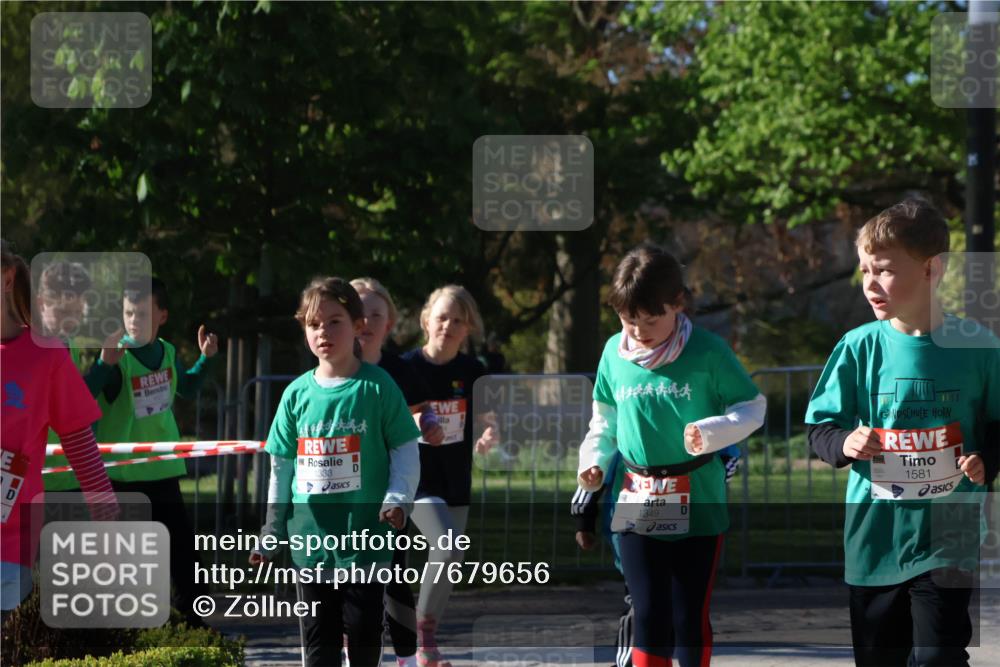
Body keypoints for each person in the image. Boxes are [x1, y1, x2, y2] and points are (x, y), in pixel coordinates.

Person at [805, 198, 1000, 667]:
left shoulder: (979, 348)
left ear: (932, 269)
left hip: (948, 535)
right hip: (875, 538)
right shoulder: (858, 347)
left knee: (937, 658)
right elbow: (819, 428)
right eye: (864, 271)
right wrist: (845, 441)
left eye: (885, 270)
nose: (870, 284)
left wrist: (987, 458)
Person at [577, 243, 765, 667]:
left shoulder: (708, 351)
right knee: (647, 613)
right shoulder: (613, 353)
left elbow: (753, 408)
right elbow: (604, 421)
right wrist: (592, 462)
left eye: (651, 319)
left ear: (678, 304)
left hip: (698, 498)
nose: (639, 331)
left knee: (687, 617)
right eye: (629, 320)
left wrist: (711, 431)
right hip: (636, 497)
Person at [251, 276, 421, 667]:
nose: (323, 331)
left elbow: (405, 450)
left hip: (366, 543)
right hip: (309, 545)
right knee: (319, 647)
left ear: (358, 326)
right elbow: (281, 468)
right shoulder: (295, 395)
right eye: (314, 324)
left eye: (334, 321)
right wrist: (271, 531)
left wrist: (398, 499)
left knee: (363, 638)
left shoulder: (378, 387)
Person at [87, 276, 218, 625]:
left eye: (143, 314)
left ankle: (194, 625)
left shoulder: (168, 352)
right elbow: (84, 396)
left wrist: (205, 360)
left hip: (162, 471)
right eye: (128, 313)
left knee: (182, 554)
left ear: (162, 315)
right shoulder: (117, 356)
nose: (134, 321)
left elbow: (187, 387)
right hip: (122, 477)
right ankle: (129, 631)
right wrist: (103, 365)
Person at [0, 241, 117, 612]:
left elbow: (79, 442)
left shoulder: (46, 354)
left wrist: (106, 514)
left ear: (7, 279)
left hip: (10, 545)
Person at [401, 285, 499, 667]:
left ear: (468, 328)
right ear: (426, 320)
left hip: (456, 476)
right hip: (416, 479)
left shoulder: (473, 372)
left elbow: (488, 419)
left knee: (451, 557)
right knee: (447, 545)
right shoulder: (406, 367)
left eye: (458, 321)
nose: (448, 326)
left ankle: (427, 642)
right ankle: (421, 636)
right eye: (442, 317)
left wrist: (489, 434)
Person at [351, 277, 444, 667]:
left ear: (388, 324)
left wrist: (430, 424)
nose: (367, 322)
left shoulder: (398, 371)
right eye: (359, 313)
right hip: (345, 493)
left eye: (376, 315)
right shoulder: (332, 372)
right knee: (348, 579)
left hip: (392, 492)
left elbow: (423, 410)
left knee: (394, 577)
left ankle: (406, 657)